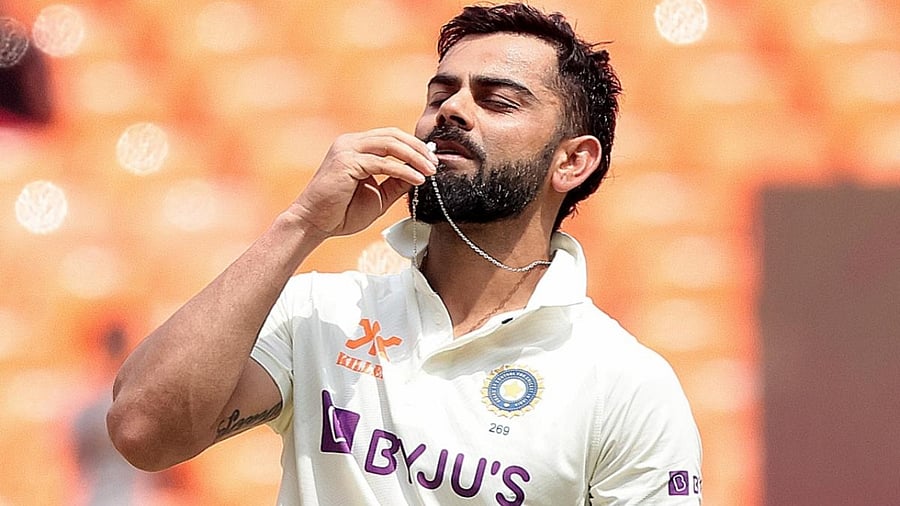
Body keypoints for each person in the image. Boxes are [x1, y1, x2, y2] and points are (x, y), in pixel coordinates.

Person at [107, 3, 703, 504]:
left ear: (572, 161)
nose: (452, 110)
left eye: (497, 101)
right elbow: (141, 432)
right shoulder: (322, 314)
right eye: (440, 94)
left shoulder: (624, 385)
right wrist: (302, 224)